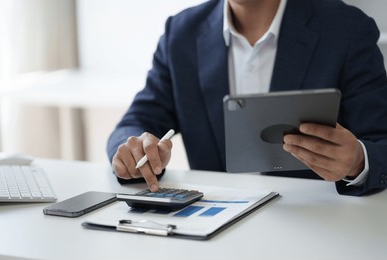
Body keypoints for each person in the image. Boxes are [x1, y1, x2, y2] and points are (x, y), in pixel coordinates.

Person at [107, 0, 387, 196]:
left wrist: (357, 162)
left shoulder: (347, 30)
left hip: (319, 229)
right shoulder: (181, 33)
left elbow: (381, 143)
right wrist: (134, 149)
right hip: (214, 229)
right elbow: (136, 122)